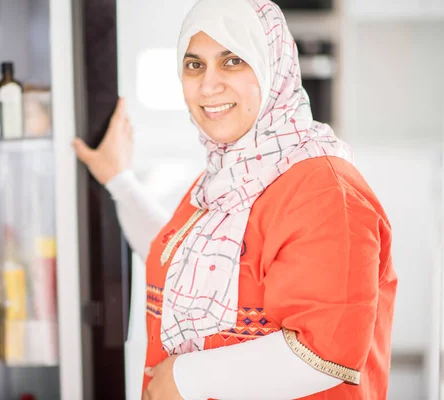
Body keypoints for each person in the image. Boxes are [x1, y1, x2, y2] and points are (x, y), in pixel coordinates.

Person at [73, 0, 397, 398]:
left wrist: (187, 377)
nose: (208, 85)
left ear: (272, 67)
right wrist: (119, 180)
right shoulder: (223, 179)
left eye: (232, 61)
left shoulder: (325, 192)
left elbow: (327, 350)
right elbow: (174, 258)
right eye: (194, 65)